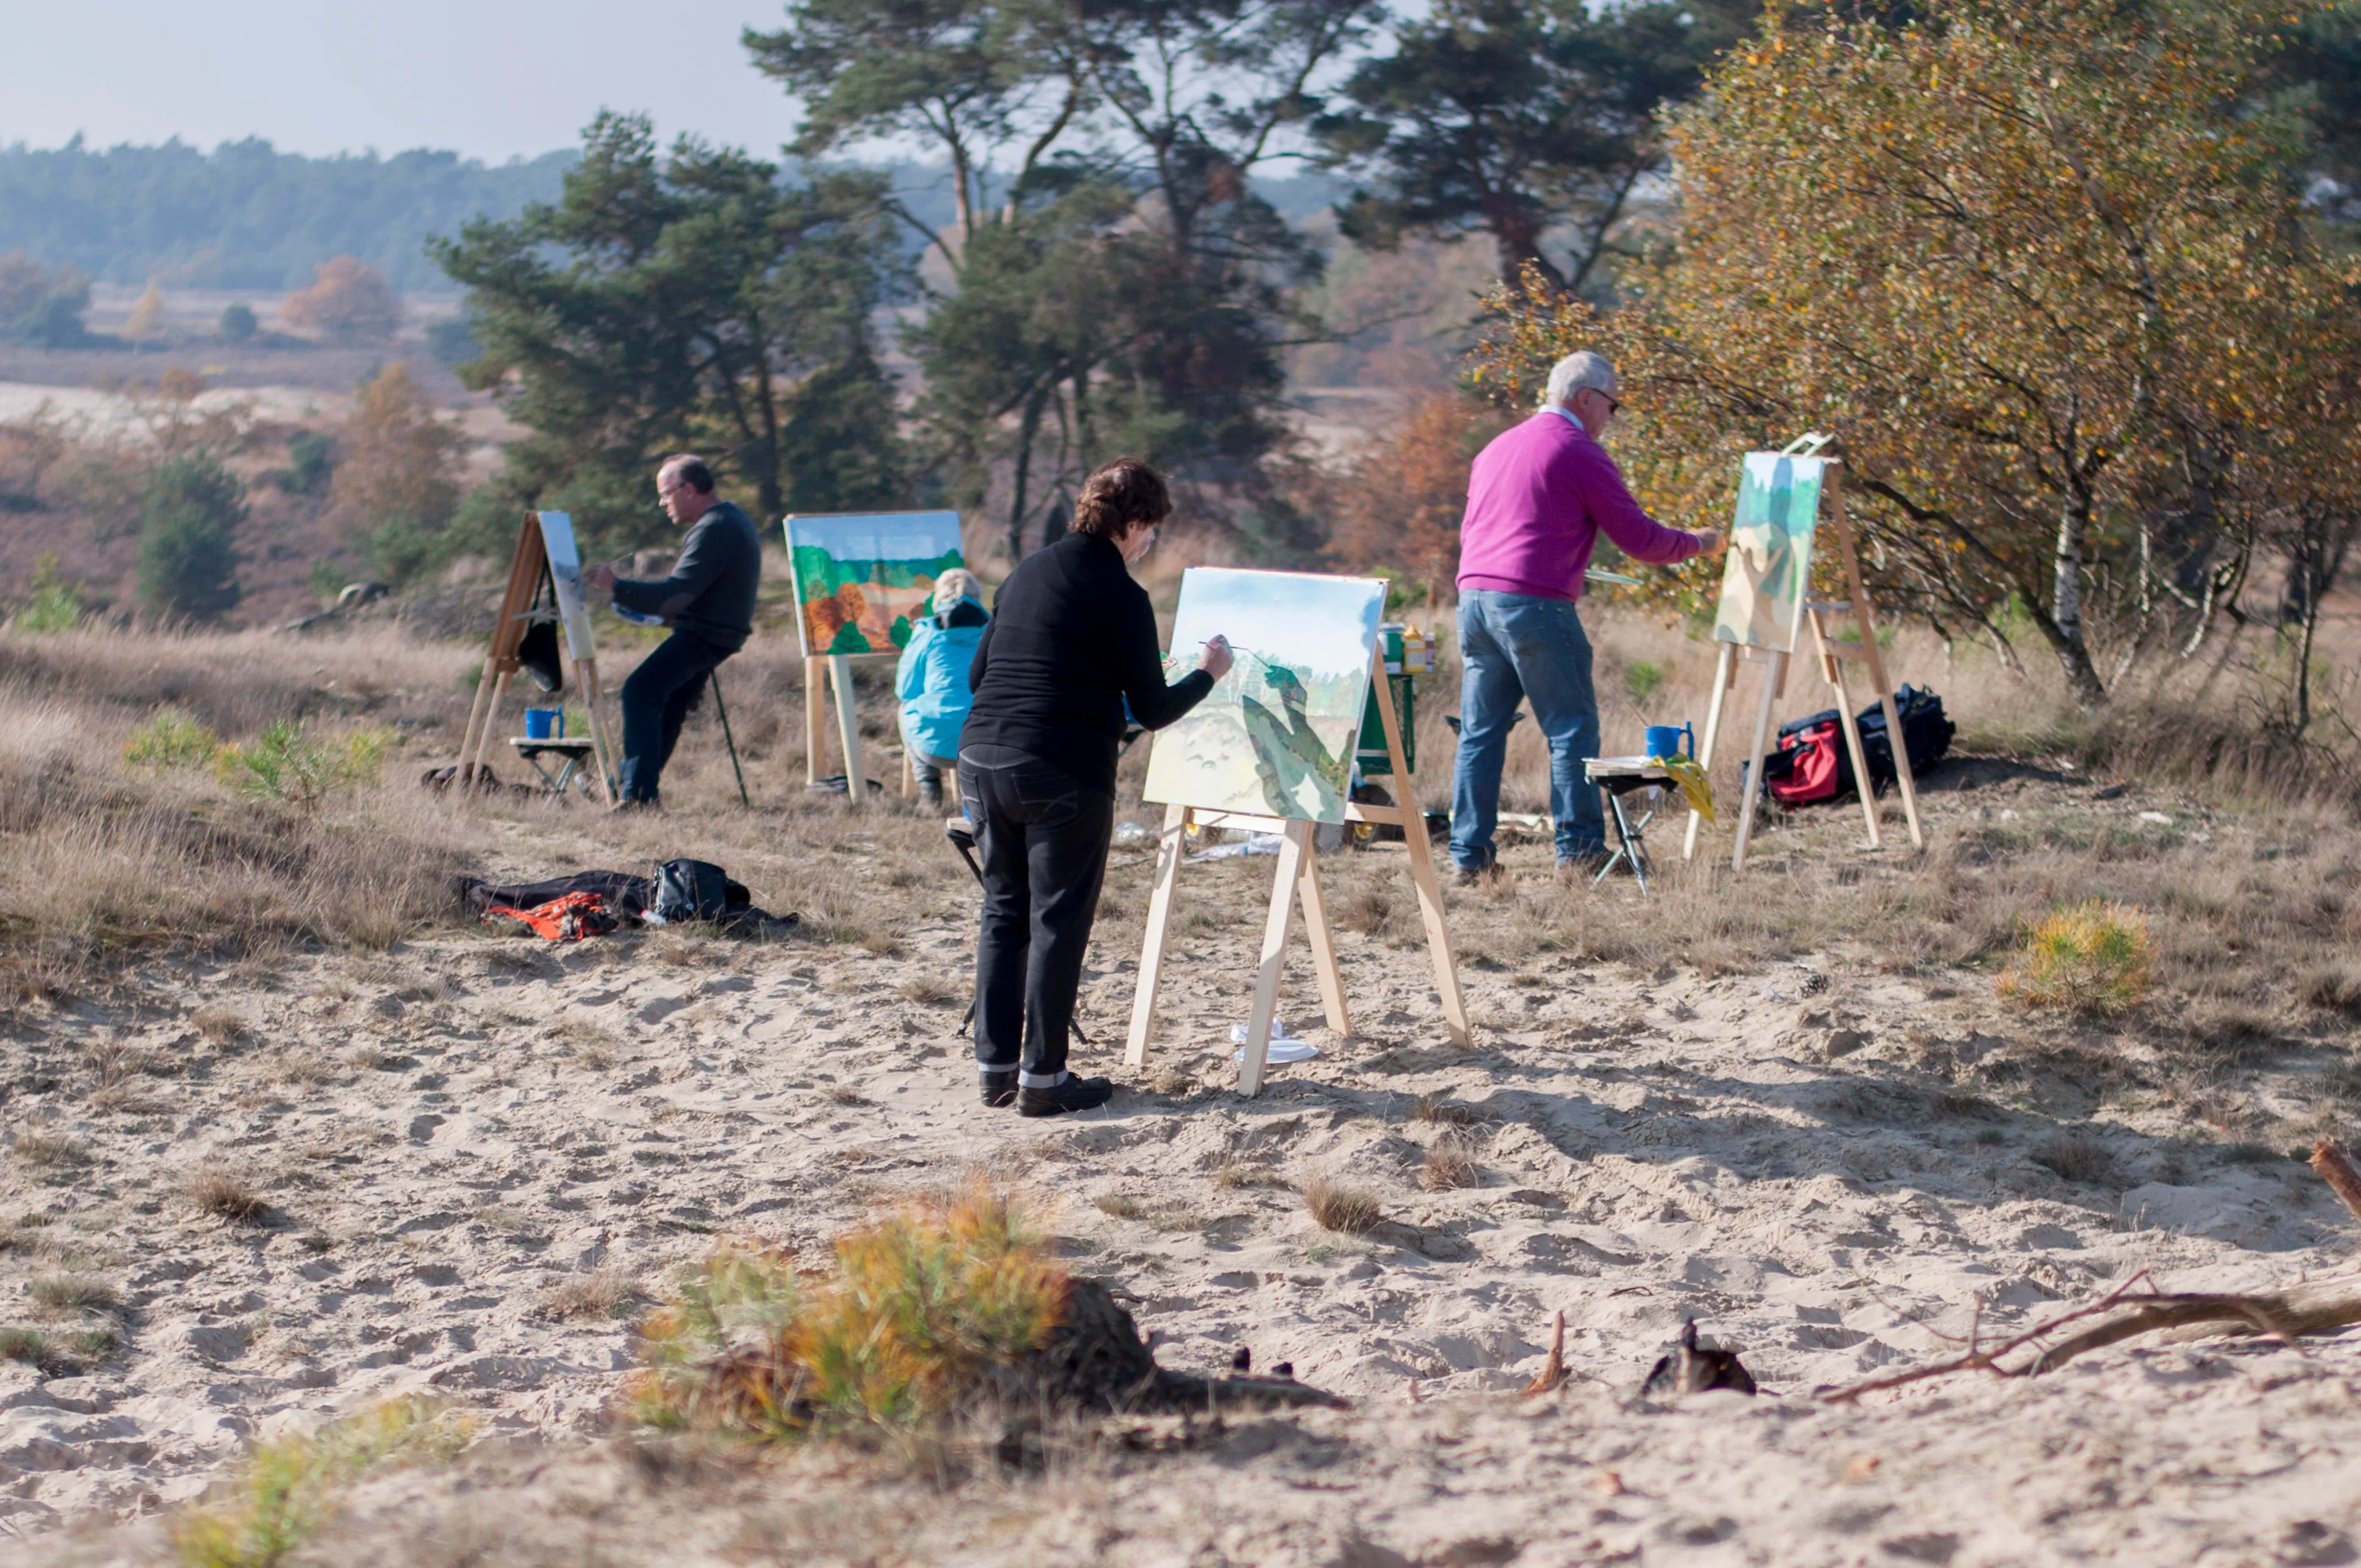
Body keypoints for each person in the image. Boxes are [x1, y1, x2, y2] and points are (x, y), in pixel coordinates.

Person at [959, 457, 1233, 1117]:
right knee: (1056, 920)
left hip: (979, 757)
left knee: (1004, 912)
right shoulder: (1122, 594)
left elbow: (978, 675)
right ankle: (1044, 1082)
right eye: (1151, 531)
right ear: (1133, 522)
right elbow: (1156, 708)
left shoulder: (1028, 571)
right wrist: (1208, 673)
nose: (1150, 544)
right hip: (1060, 767)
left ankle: (995, 1071)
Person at [1451, 351, 1723, 884]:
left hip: (1475, 599)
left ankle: (1469, 859)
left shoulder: (1496, 447)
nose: (1611, 419)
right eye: (1612, 406)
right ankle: (1579, 853)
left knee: (1480, 735)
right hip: (1534, 605)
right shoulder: (1578, 450)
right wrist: (1701, 544)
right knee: (1572, 730)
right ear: (1586, 398)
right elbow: (1641, 540)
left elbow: (1488, 529)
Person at [582, 454, 762, 808]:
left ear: (689, 490)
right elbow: (695, 592)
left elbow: (674, 594)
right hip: (718, 633)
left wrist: (615, 586)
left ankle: (637, 795)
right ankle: (633, 789)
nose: (662, 503)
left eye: (666, 494)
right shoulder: (730, 519)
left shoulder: (715, 527)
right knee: (671, 703)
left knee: (640, 690)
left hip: (705, 635)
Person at [896, 568, 988, 807]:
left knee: (907, 709)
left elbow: (905, 689)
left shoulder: (927, 632)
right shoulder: (993, 630)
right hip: (985, 741)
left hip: (933, 747)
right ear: (977, 595)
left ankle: (930, 792)